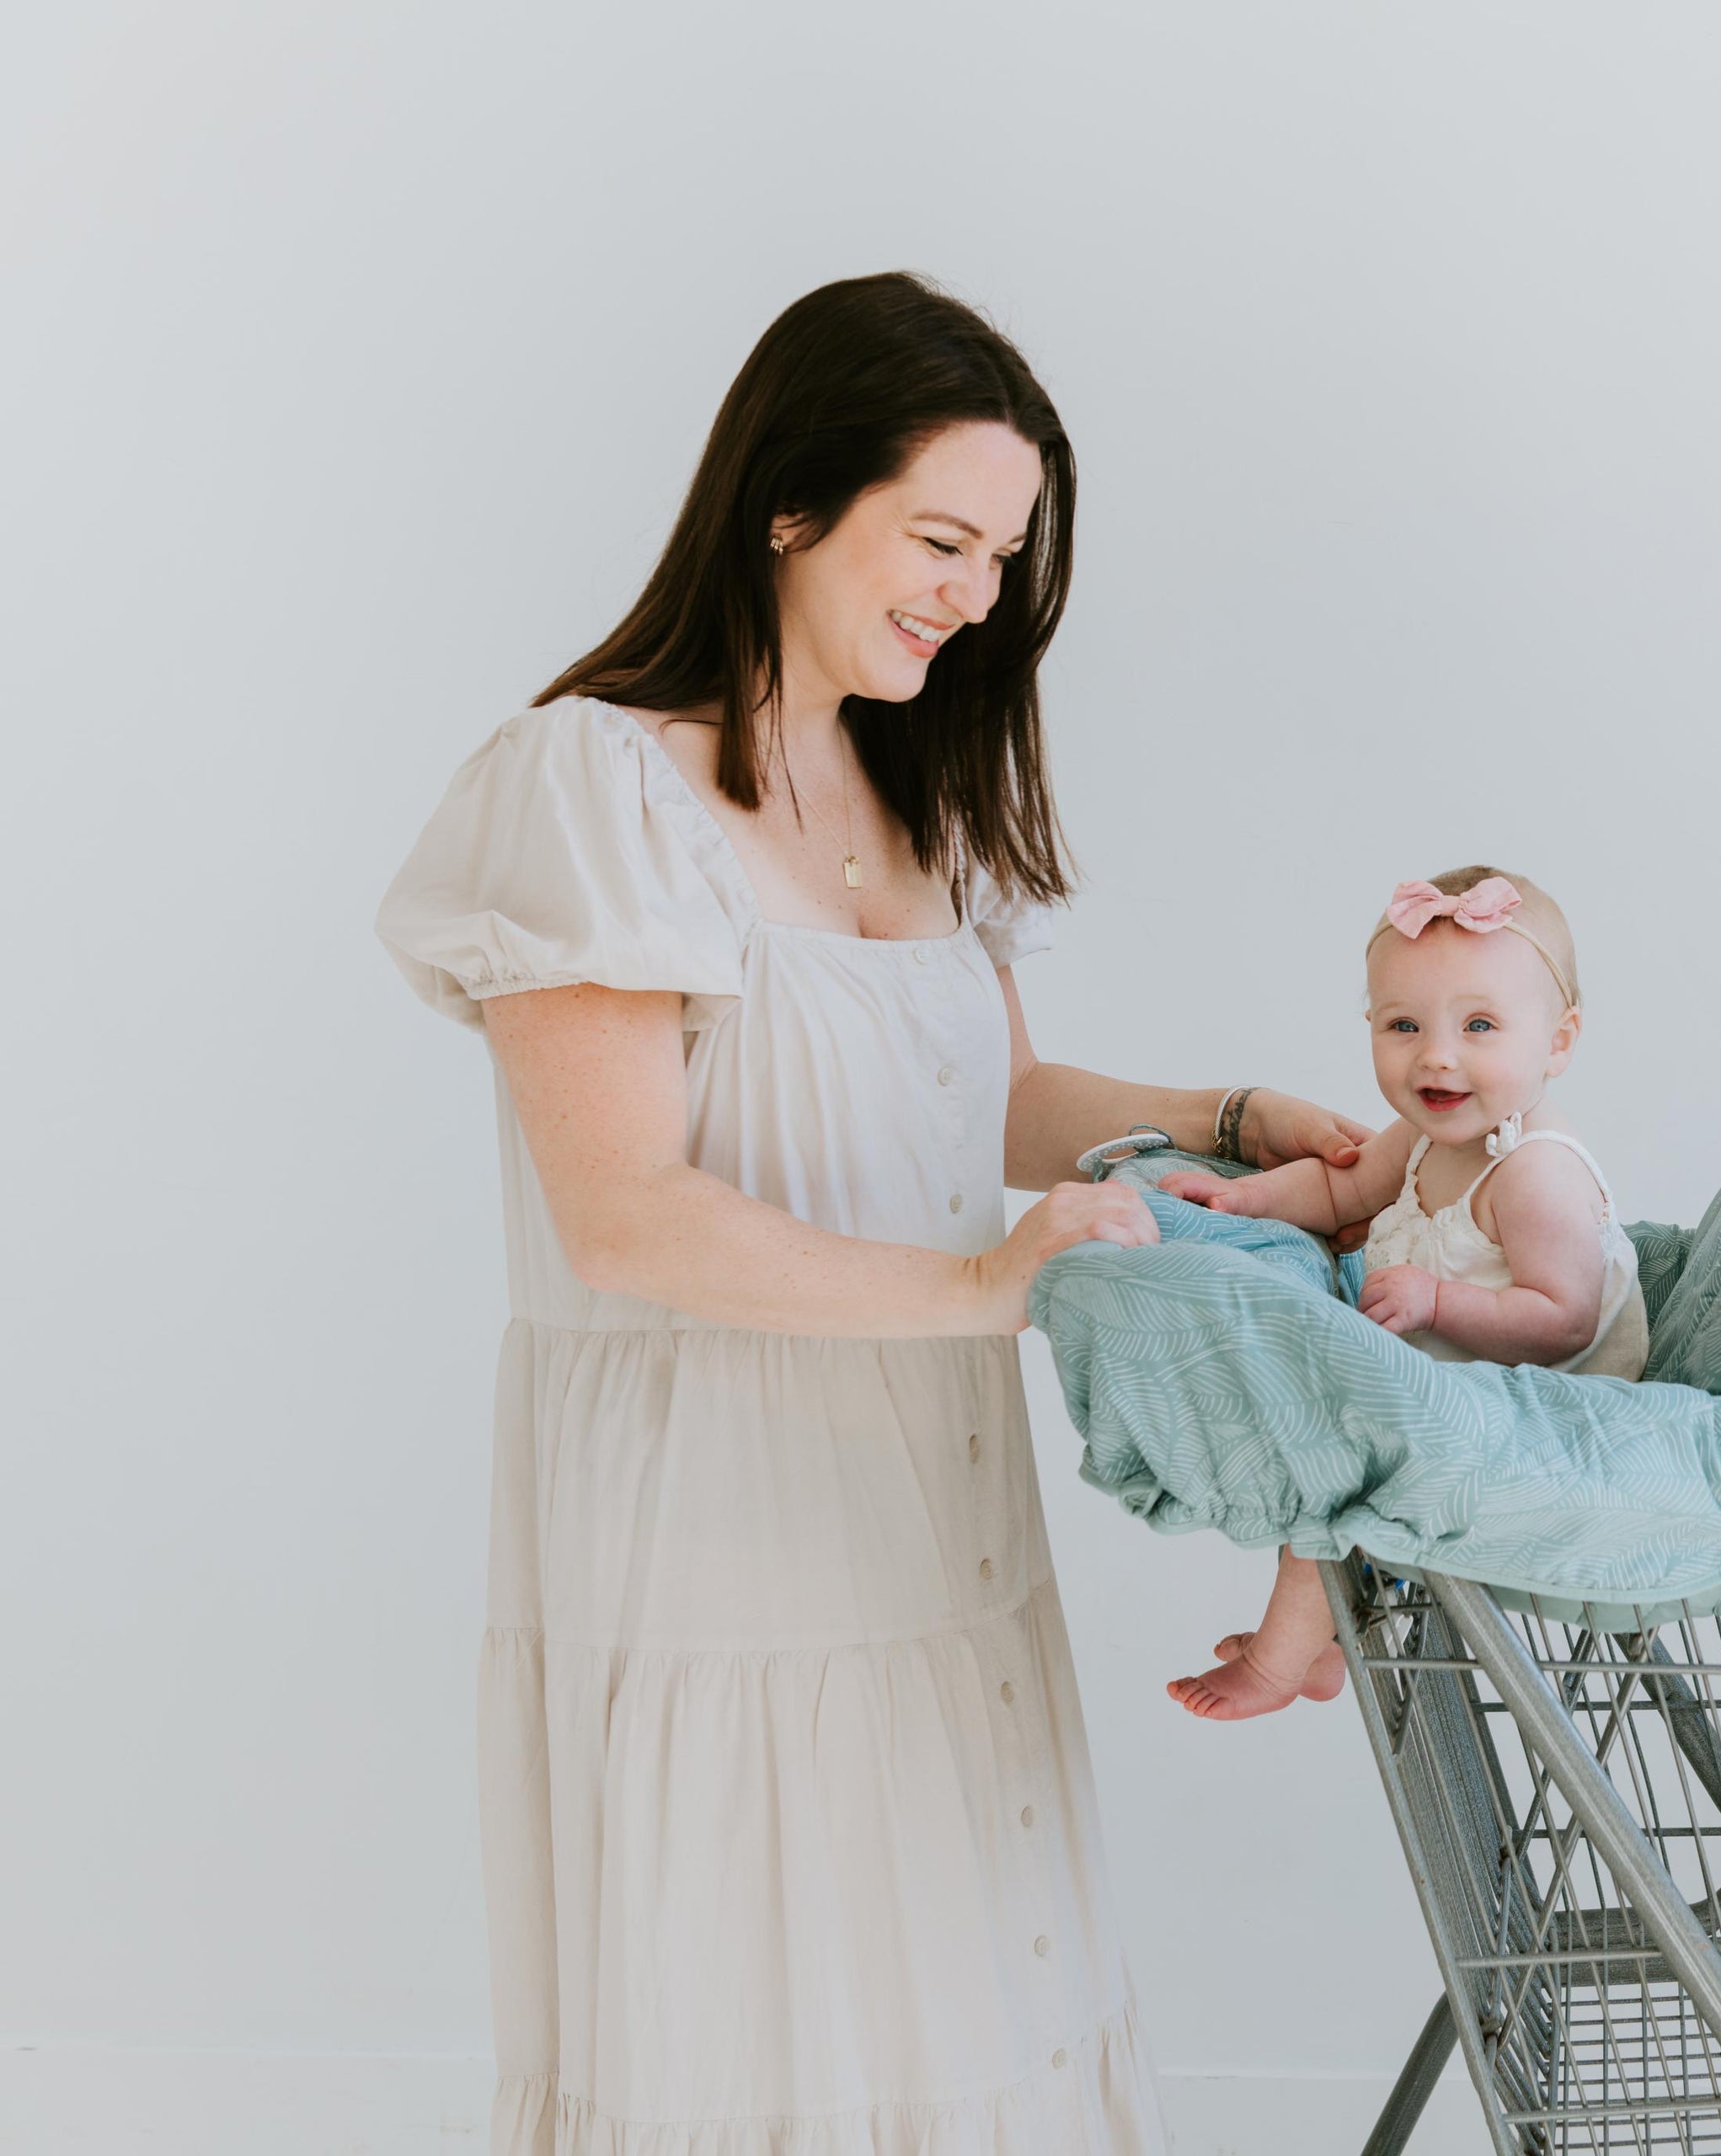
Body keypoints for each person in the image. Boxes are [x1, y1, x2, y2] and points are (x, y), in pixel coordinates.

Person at [376, 272, 1373, 2154]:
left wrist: (1225, 1118)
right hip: (713, 1518)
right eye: (939, 536)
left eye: (1001, 557)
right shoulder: (590, 784)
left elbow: (981, 1098)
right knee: (764, 2016)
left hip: (926, 1496)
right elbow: (629, 1217)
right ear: (784, 500)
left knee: (964, 1984)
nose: (973, 595)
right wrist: (992, 1284)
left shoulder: (905, 786)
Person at [1156, 865, 1644, 1719]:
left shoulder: (1535, 1175)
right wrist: (1246, 1199)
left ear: (1559, 1041)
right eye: (1403, 1023)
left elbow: (1563, 1322)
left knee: (1348, 1466)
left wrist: (1435, 1301)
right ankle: (1321, 1642)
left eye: (1480, 1024)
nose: (1437, 1054)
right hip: (1463, 1393)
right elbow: (1342, 1193)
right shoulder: (1425, 1135)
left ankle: (1281, 1661)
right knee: (1318, 1429)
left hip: (1545, 1420)